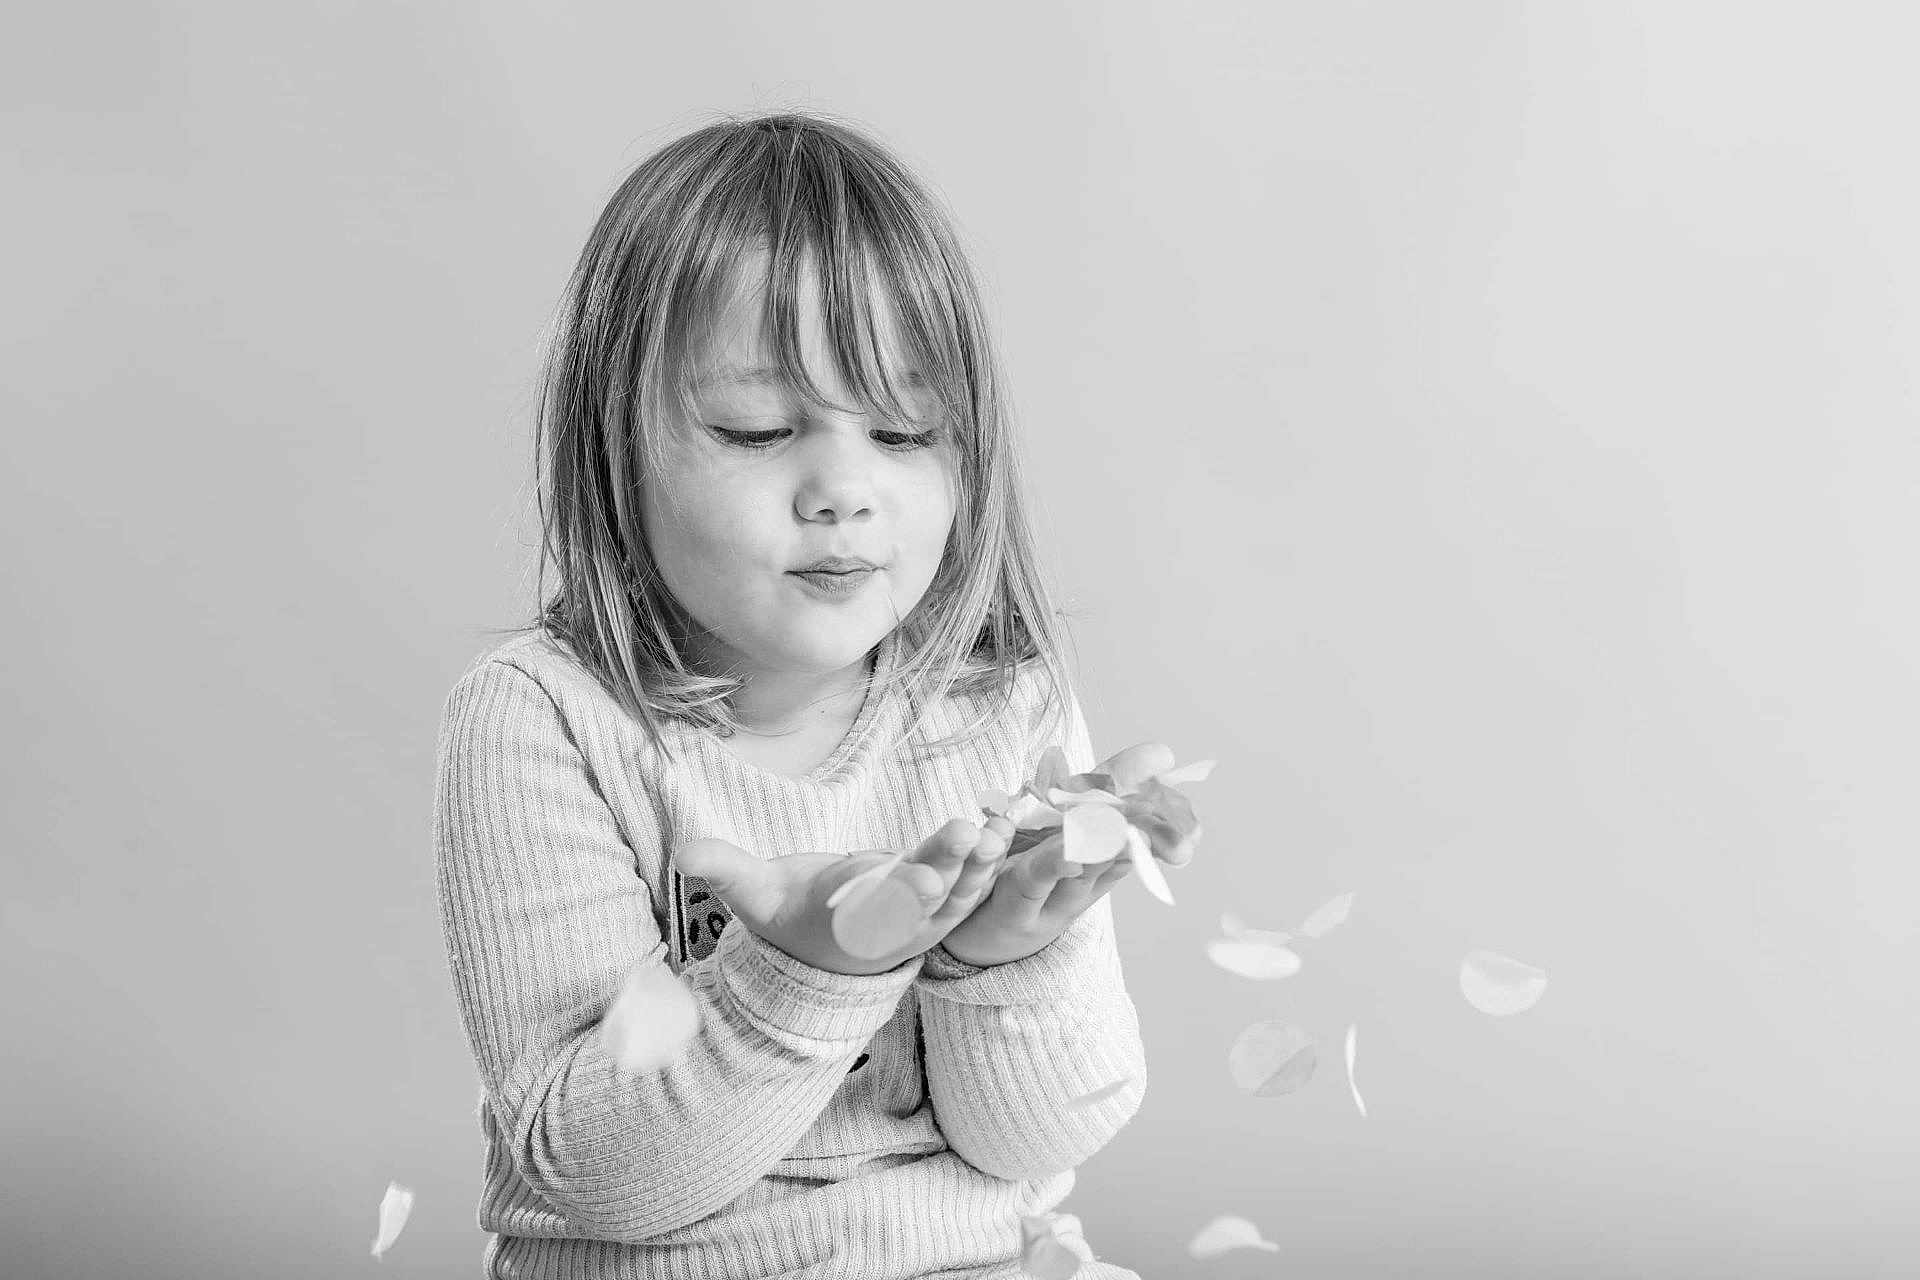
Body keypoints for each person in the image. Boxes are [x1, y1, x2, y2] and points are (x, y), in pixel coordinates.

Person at [434, 110, 1155, 1279]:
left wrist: (1000, 959)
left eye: (903, 429)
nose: (843, 489)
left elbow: (1044, 1136)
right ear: (616, 448)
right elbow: (596, 1174)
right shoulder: (546, 719)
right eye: (759, 428)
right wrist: (812, 971)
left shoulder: (1001, 703)